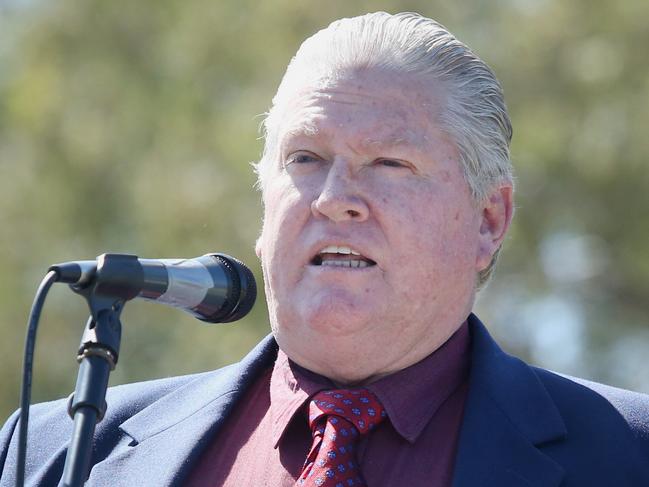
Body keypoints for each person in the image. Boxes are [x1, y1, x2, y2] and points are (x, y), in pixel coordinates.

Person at [2, 11, 649, 487]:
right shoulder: (57, 453)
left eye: (388, 162)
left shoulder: (627, 454)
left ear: (487, 220)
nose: (334, 197)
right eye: (306, 158)